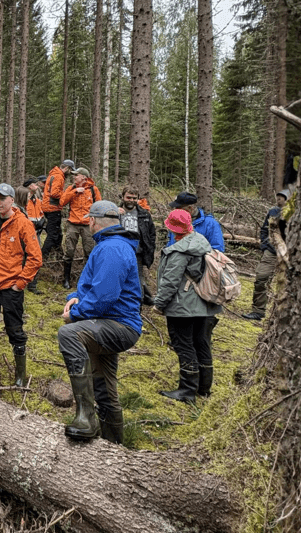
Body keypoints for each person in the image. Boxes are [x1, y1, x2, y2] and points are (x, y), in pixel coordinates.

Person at [58, 200, 142, 444]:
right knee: (104, 387)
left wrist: (75, 313)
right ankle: (114, 444)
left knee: (70, 334)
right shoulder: (110, 246)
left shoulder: (112, 248)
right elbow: (94, 287)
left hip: (117, 325)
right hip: (105, 322)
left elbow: (104, 297)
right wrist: (75, 298)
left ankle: (86, 416)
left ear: (92, 221)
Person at [0, 183, 42, 387]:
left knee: (15, 329)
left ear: (12, 200)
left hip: (11, 287)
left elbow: (35, 258)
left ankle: (20, 375)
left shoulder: (22, 223)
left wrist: (21, 282)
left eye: (2, 198)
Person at [154, 209, 221, 403]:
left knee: (184, 345)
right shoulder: (201, 241)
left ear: (172, 228)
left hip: (183, 307)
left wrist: (159, 304)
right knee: (202, 344)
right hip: (204, 304)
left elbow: (169, 282)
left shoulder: (180, 249)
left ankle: (187, 391)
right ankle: (204, 388)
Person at [242, 189, 289, 321]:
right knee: (261, 277)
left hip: (290, 254)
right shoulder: (273, 211)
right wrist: (265, 245)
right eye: (277, 197)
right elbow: (264, 229)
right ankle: (258, 311)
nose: (278, 200)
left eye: (281, 198)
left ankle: (284, 316)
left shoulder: (299, 212)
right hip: (271, 252)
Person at [59, 167, 101, 289]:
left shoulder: (93, 190)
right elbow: (62, 202)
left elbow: (99, 206)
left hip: (88, 225)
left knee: (89, 252)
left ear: (83, 177)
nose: (74, 177)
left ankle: (86, 280)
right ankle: (66, 280)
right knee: (69, 252)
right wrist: (75, 191)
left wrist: (96, 223)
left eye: (76, 175)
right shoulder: (71, 188)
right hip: (73, 223)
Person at [119, 186, 157, 305]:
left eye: (134, 198)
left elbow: (151, 233)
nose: (131, 200)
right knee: (119, 276)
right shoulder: (115, 212)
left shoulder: (144, 214)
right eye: (128, 197)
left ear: (138, 199)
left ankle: (138, 303)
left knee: (137, 279)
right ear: (123, 197)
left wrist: (149, 248)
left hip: (137, 253)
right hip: (119, 251)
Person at [41, 159, 76, 259]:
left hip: (49, 207)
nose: (71, 173)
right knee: (53, 235)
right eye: (70, 171)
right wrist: (67, 194)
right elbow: (55, 193)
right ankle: (41, 257)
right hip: (52, 208)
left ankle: (59, 256)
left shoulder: (55, 174)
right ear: (66, 168)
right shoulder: (58, 176)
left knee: (58, 234)